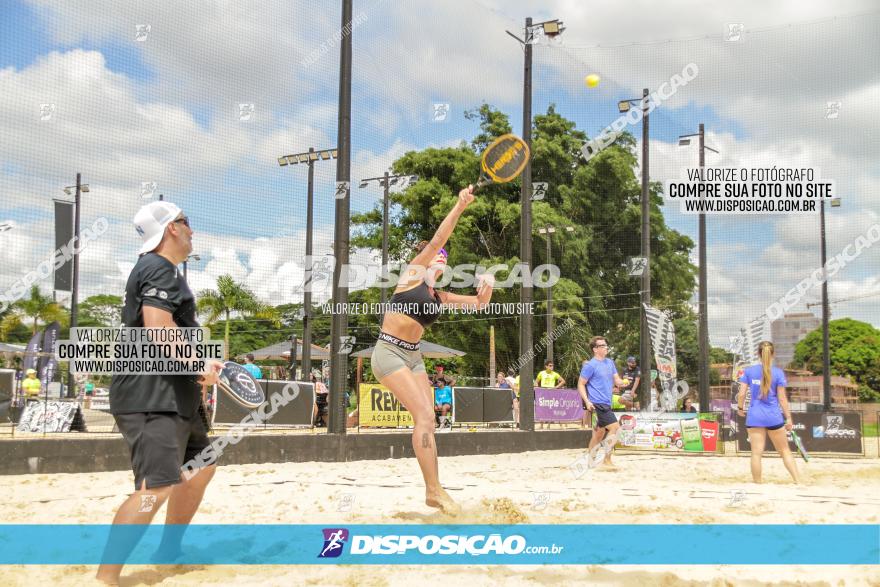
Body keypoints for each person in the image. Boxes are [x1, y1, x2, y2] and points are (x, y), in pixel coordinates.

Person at [97, 201, 223, 584]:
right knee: (156, 487)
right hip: (150, 396)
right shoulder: (156, 267)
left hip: (173, 393)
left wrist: (196, 369)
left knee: (201, 467)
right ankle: (106, 577)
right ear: (171, 228)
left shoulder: (161, 270)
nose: (191, 230)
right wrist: (198, 364)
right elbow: (157, 328)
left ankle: (168, 548)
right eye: (187, 222)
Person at [370, 184, 492, 514]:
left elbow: (479, 305)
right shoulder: (412, 276)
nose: (441, 259)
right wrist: (459, 205)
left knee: (430, 421)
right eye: (438, 257)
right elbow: (438, 240)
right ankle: (434, 490)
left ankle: (434, 490)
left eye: (444, 260)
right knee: (423, 415)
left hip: (413, 356)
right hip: (389, 352)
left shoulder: (441, 296)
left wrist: (487, 289)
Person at [737, 341, 800, 484]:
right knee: (785, 451)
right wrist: (788, 418)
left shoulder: (749, 371)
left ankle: (758, 484)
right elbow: (782, 399)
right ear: (773, 354)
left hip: (755, 416)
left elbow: (741, 394)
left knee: (756, 453)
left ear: (758, 354)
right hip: (773, 416)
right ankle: (798, 481)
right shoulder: (778, 373)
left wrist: (740, 408)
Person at [578, 336, 628, 468]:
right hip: (597, 403)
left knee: (598, 434)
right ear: (595, 349)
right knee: (616, 429)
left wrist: (623, 383)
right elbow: (581, 384)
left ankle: (590, 462)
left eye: (606, 345)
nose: (606, 347)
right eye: (603, 345)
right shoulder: (590, 365)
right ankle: (607, 460)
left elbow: (617, 380)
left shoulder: (610, 363)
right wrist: (587, 401)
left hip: (607, 402)